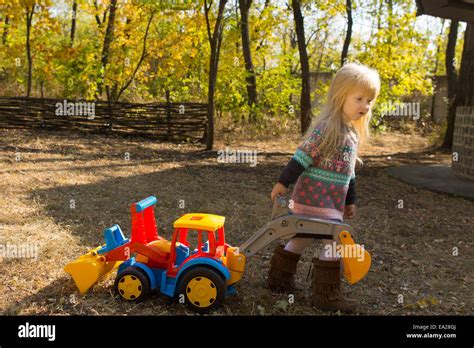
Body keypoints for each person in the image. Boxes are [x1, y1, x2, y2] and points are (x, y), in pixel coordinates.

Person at [268, 63, 380, 313]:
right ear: (341, 96)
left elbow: (348, 173)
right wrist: (282, 182)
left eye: (370, 100)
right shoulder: (328, 127)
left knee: (303, 238)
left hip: (331, 203)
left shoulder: (351, 134)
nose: (365, 106)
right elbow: (302, 157)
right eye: (359, 98)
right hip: (314, 201)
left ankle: (278, 279)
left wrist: (349, 200)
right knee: (333, 241)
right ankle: (325, 296)